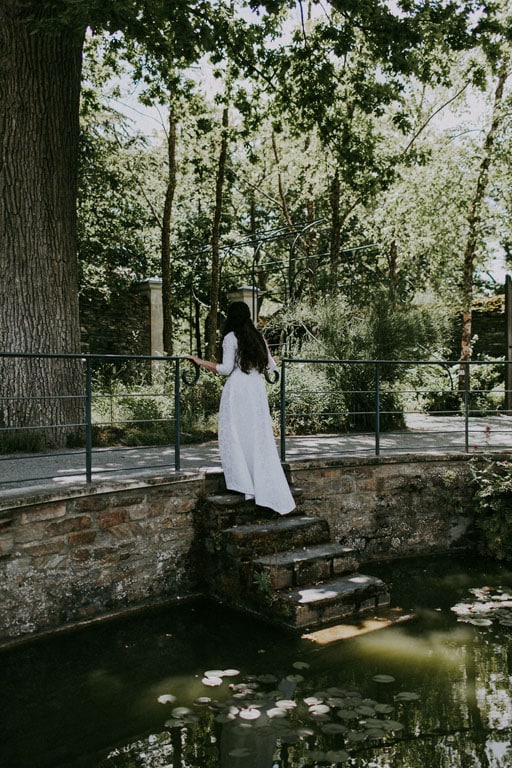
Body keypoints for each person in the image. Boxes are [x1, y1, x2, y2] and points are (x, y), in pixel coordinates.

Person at [187, 301, 295, 515]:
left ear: (230, 317)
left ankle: (244, 482)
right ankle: (259, 481)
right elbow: (272, 365)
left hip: (238, 389)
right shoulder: (257, 337)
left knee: (237, 433)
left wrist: (200, 362)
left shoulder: (230, 338)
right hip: (256, 388)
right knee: (257, 434)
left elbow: (226, 369)